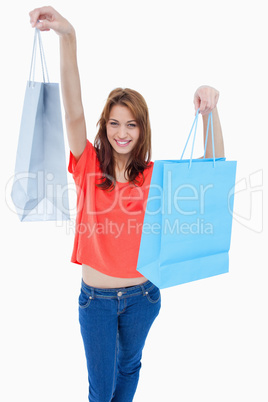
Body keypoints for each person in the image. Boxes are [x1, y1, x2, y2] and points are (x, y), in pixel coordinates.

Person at [29, 6, 225, 402]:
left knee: (129, 367)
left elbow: (212, 172)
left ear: (142, 129)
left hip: (143, 297)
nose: (122, 132)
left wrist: (211, 112)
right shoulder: (87, 165)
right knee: (100, 390)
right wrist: (68, 36)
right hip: (96, 300)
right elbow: (73, 110)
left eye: (131, 124)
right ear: (105, 127)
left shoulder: (153, 176)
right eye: (115, 123)